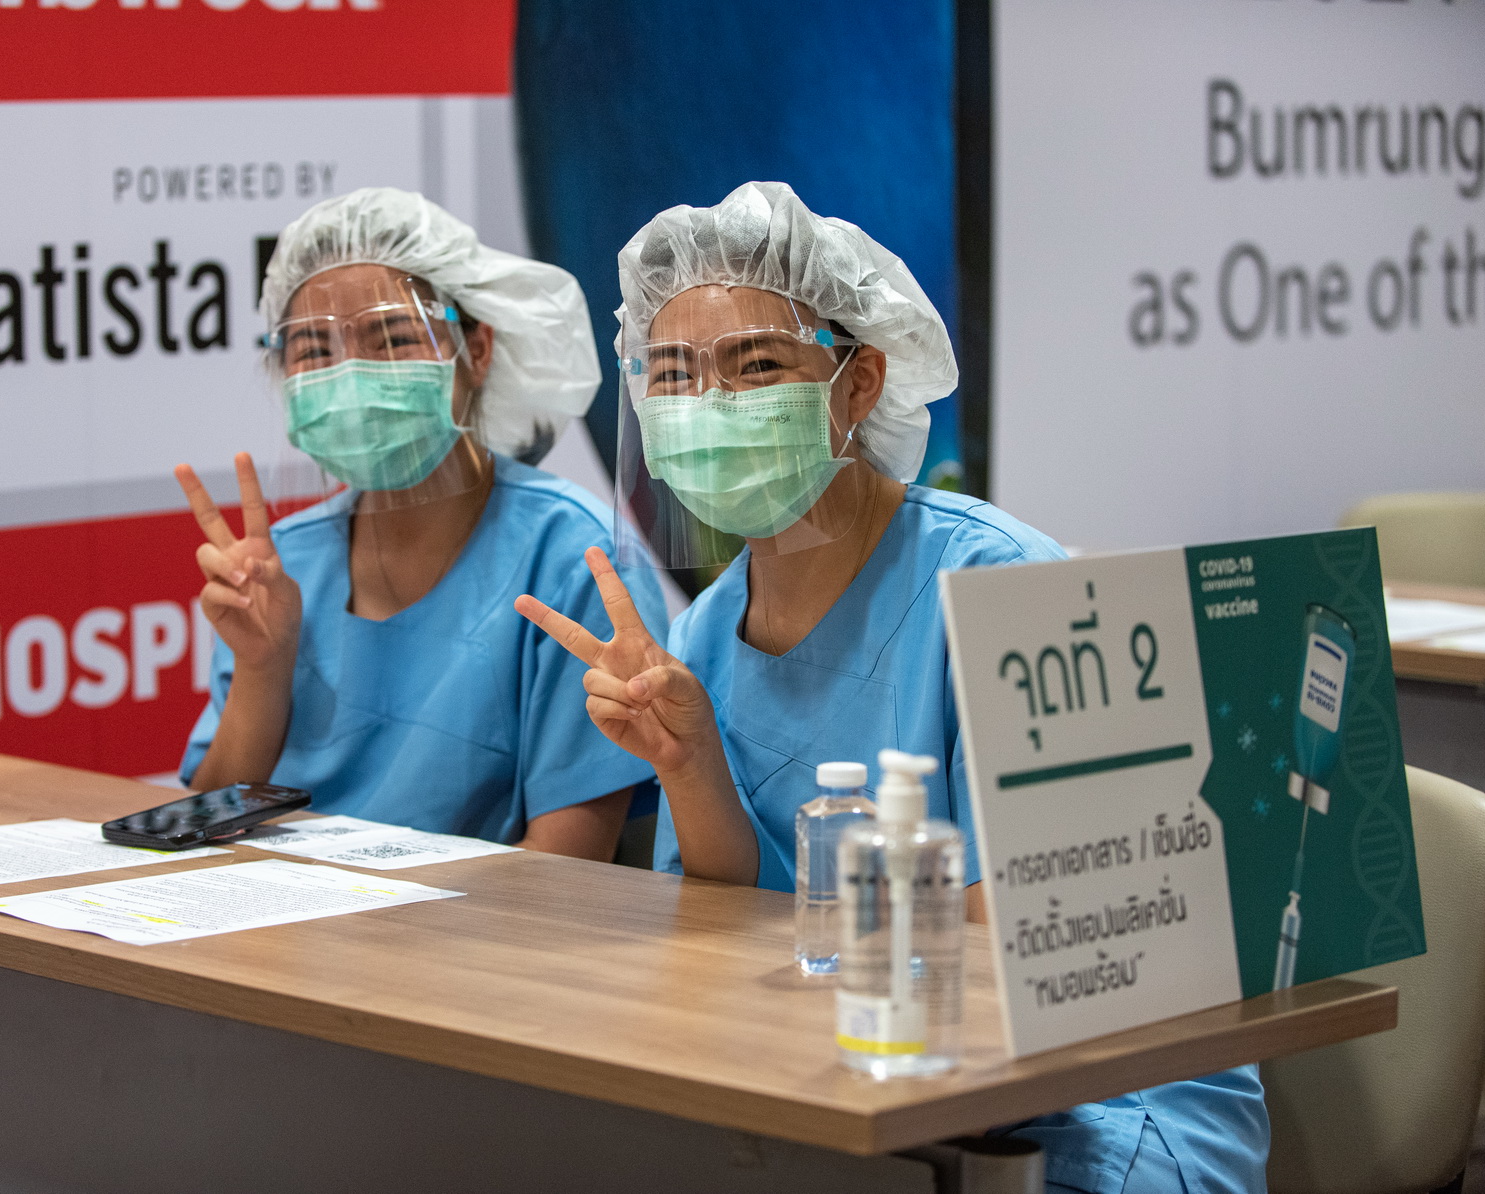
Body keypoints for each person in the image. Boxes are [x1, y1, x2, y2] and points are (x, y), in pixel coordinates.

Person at [516, 182, 1268, 1192]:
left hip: (1086, 1116)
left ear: (859, 381)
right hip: (840, 1089)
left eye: (755, 365)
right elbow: (729, 924)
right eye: (671, 375)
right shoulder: (701, 631)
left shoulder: (1014, 595)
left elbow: (1056, 960)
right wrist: (691, 767)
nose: (708, 406)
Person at [177, 186, 666, 860]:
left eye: (392, 338)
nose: (351, 374)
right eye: (314, 350)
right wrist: (263, 668)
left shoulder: (571, 558)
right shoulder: (278, 566)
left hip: (469, 944)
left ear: (478, 349)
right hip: (275, 936)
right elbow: (205, 828)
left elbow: (567, 867)